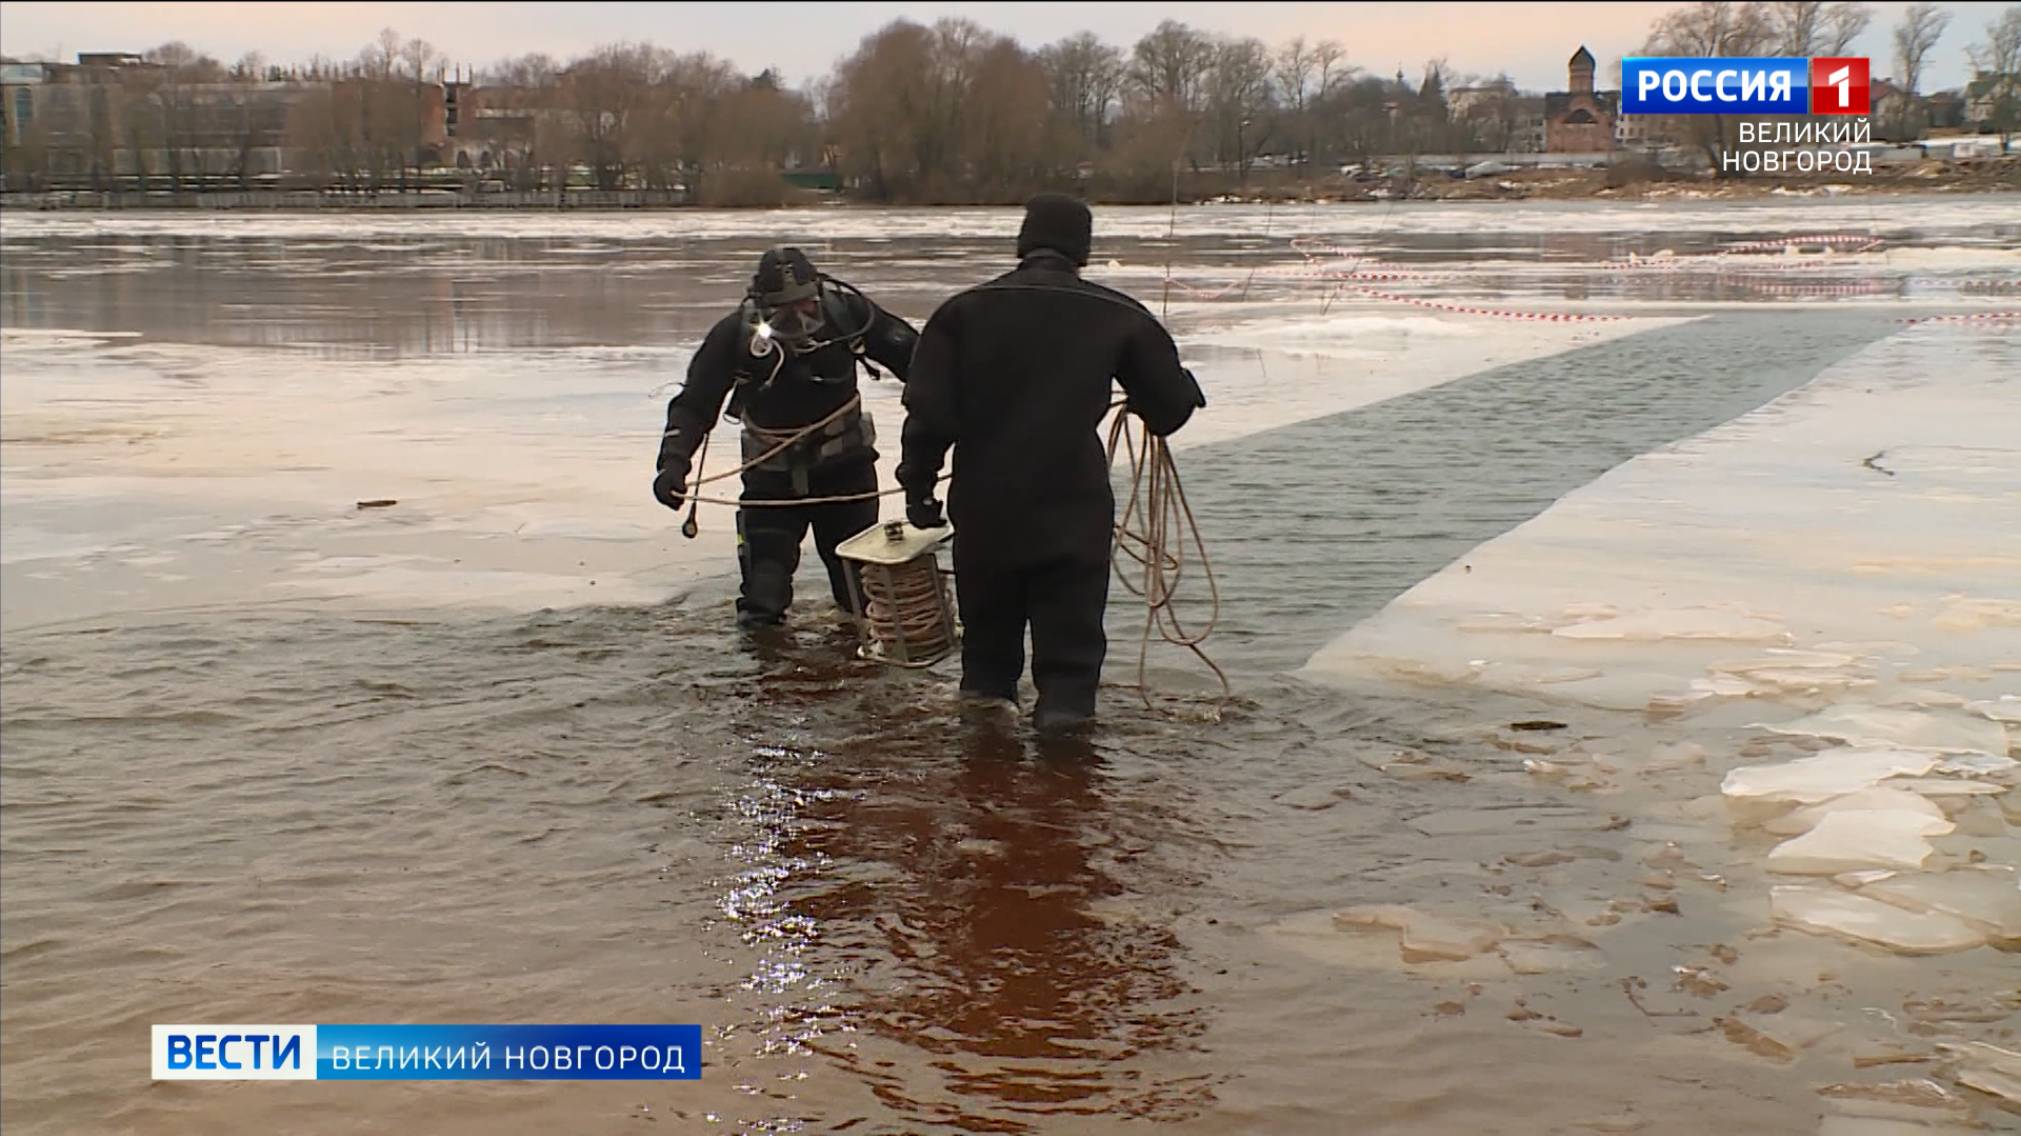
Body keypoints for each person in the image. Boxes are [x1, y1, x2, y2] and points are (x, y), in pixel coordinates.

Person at [895, 194, 1205, 732]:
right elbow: (1170, 413)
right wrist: (1180, 387)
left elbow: (928, 416)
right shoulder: (1119, 314)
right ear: (1082, 250)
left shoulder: (961, 311)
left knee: (987, 672)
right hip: (1073, 513)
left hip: (986, 511)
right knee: (1069, 673)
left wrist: (918, 491)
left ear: (1023, 242)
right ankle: (1067, 789)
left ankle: (985, 795)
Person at [653, 246, 921, 629]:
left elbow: (921, 366)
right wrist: (673, 464)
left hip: (846, 476)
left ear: (819, 294)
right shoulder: (735, 336)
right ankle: (767, 681)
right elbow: (695, 405)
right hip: (770, 482)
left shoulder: (849, 315)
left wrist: (960, 424)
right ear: (761, 307)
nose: (798, 318)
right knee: (763, 601)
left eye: (807, 306)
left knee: (861, 600)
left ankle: (859, 676)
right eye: (783, 310)